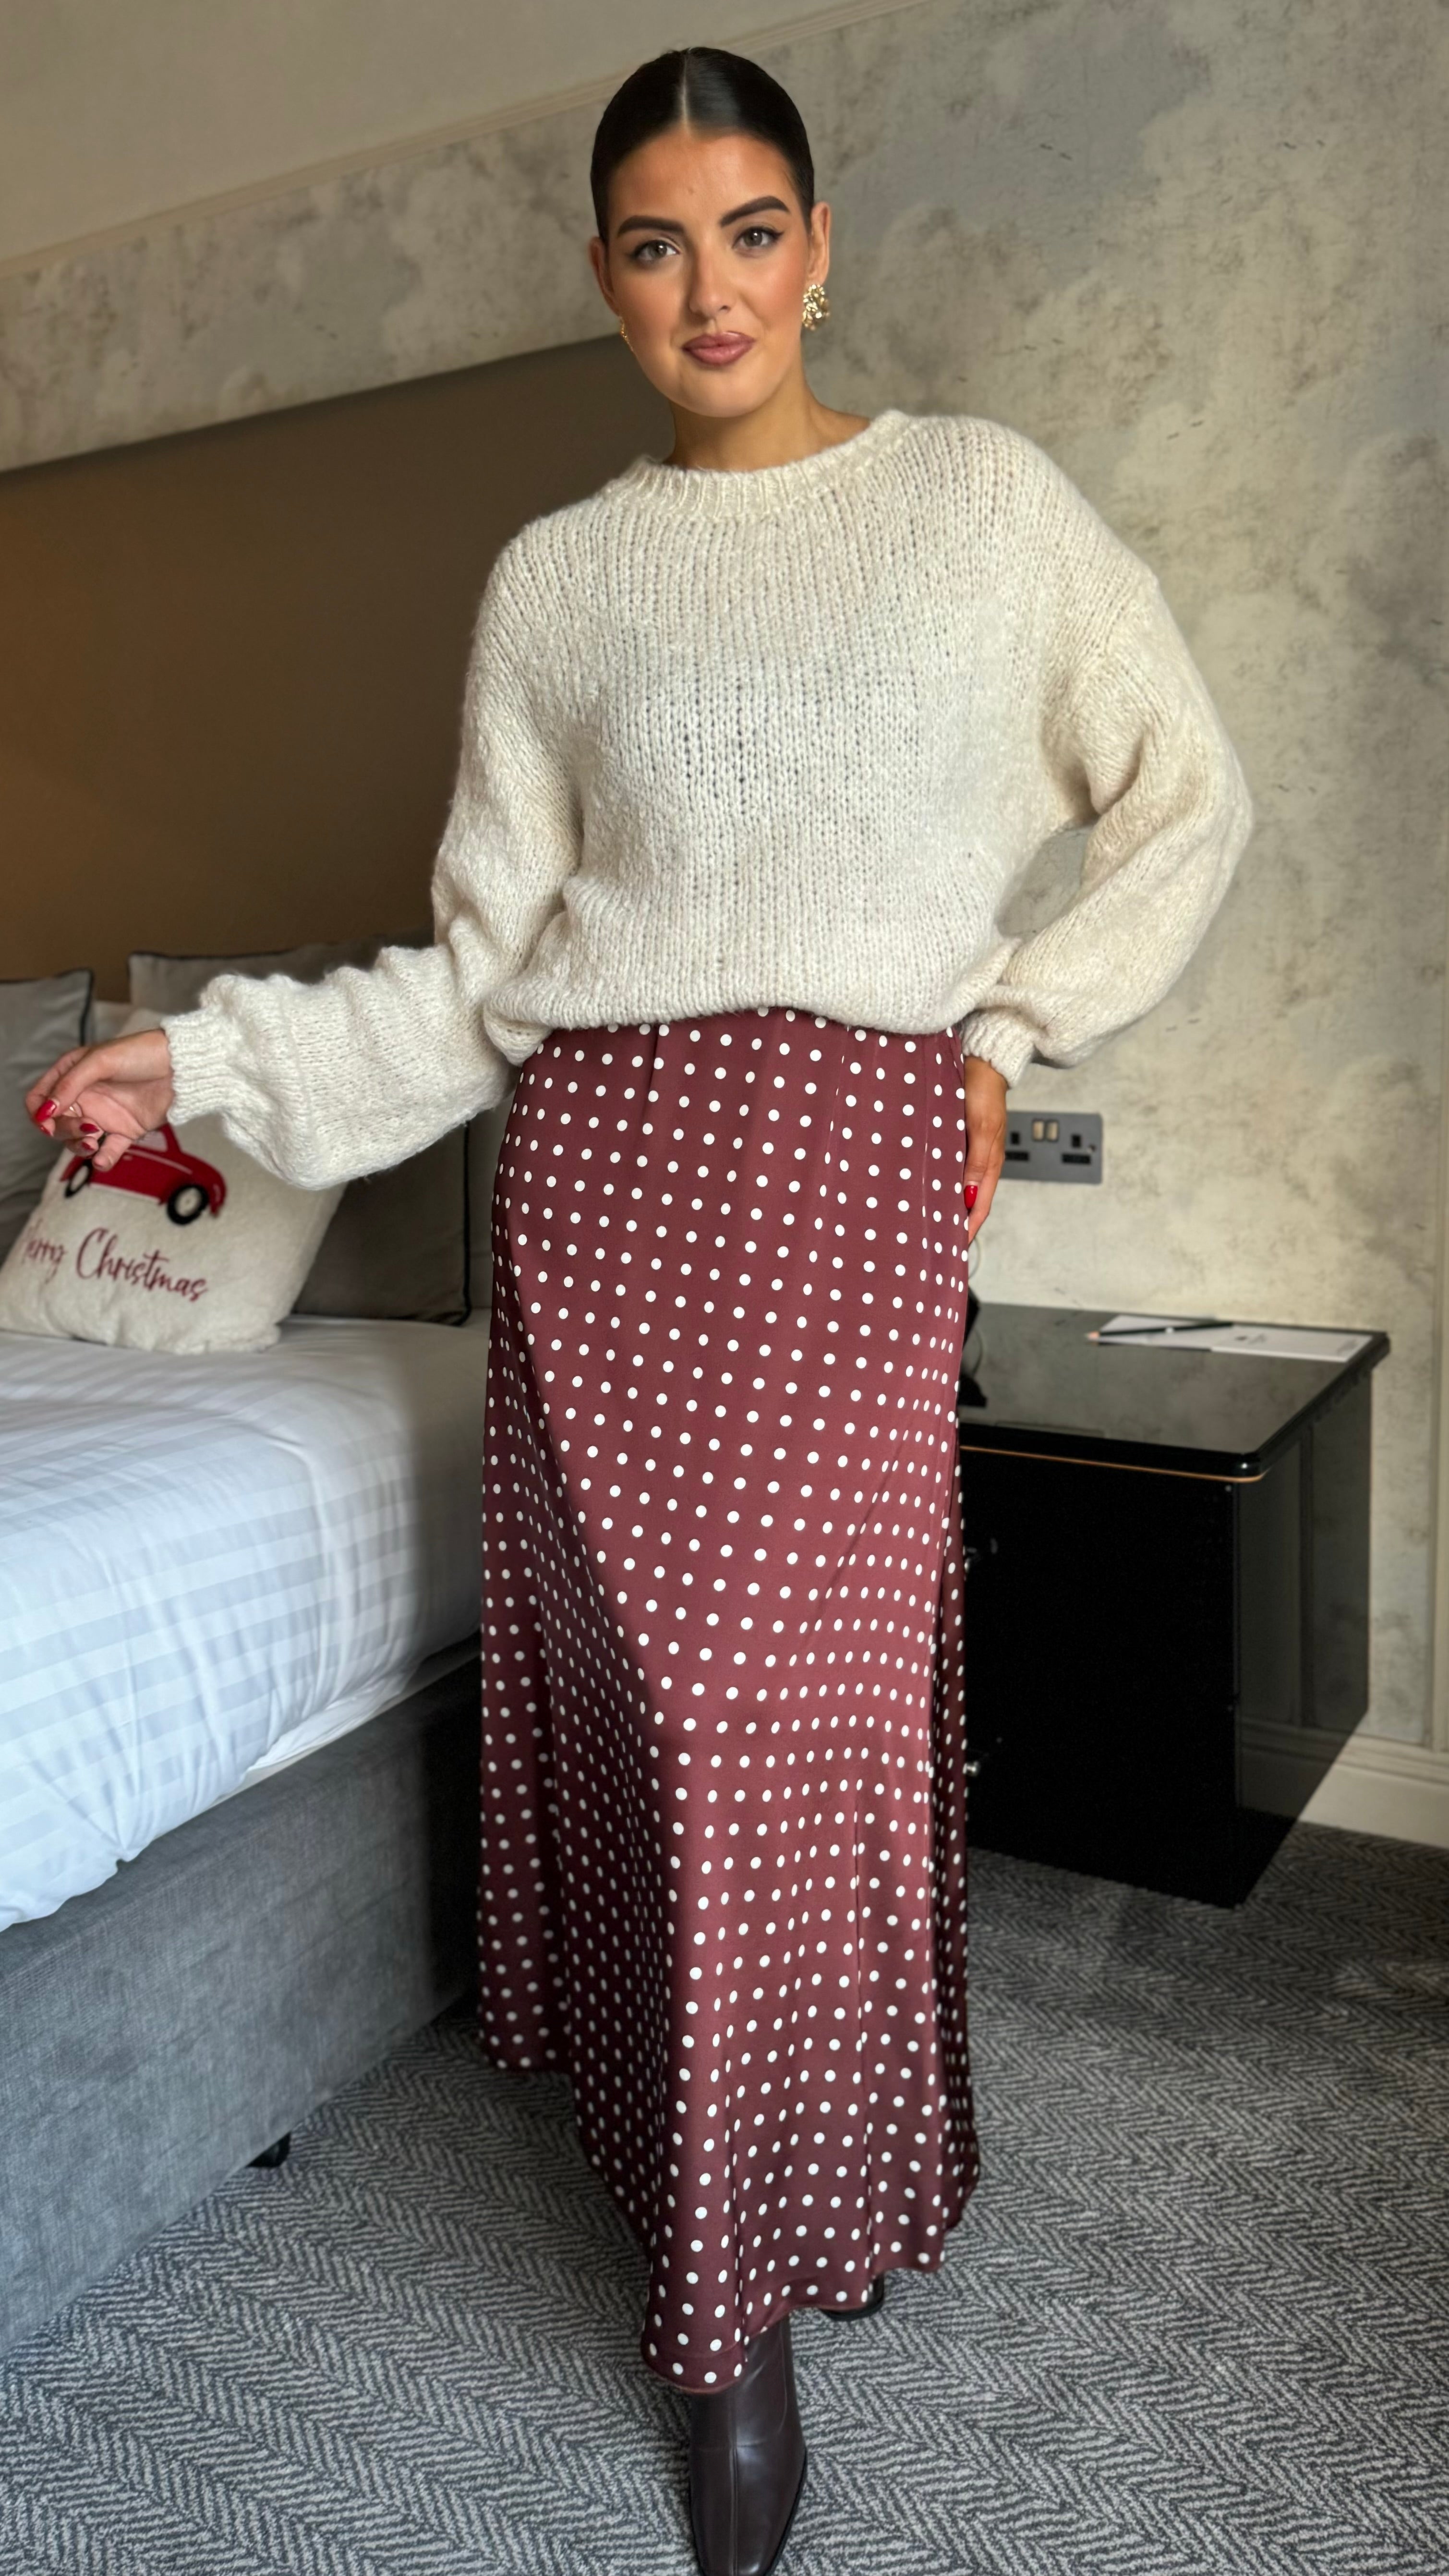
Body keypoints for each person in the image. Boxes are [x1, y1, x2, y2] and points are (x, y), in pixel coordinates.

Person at [24, 44, 1255, 2576]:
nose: (714, 287)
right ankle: (733, 2326)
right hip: (606, 1186)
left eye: (754, 229)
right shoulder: (559, 583)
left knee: (814, 1714)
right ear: (607, 274)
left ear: (820, 243)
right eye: (661, 243)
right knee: (679, 1720)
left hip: (852, 1178)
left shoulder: (982, 506)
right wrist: (213, 1057)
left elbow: (1186, 795)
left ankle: (843, 2155)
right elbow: (484, 987)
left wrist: (1006, 1037)